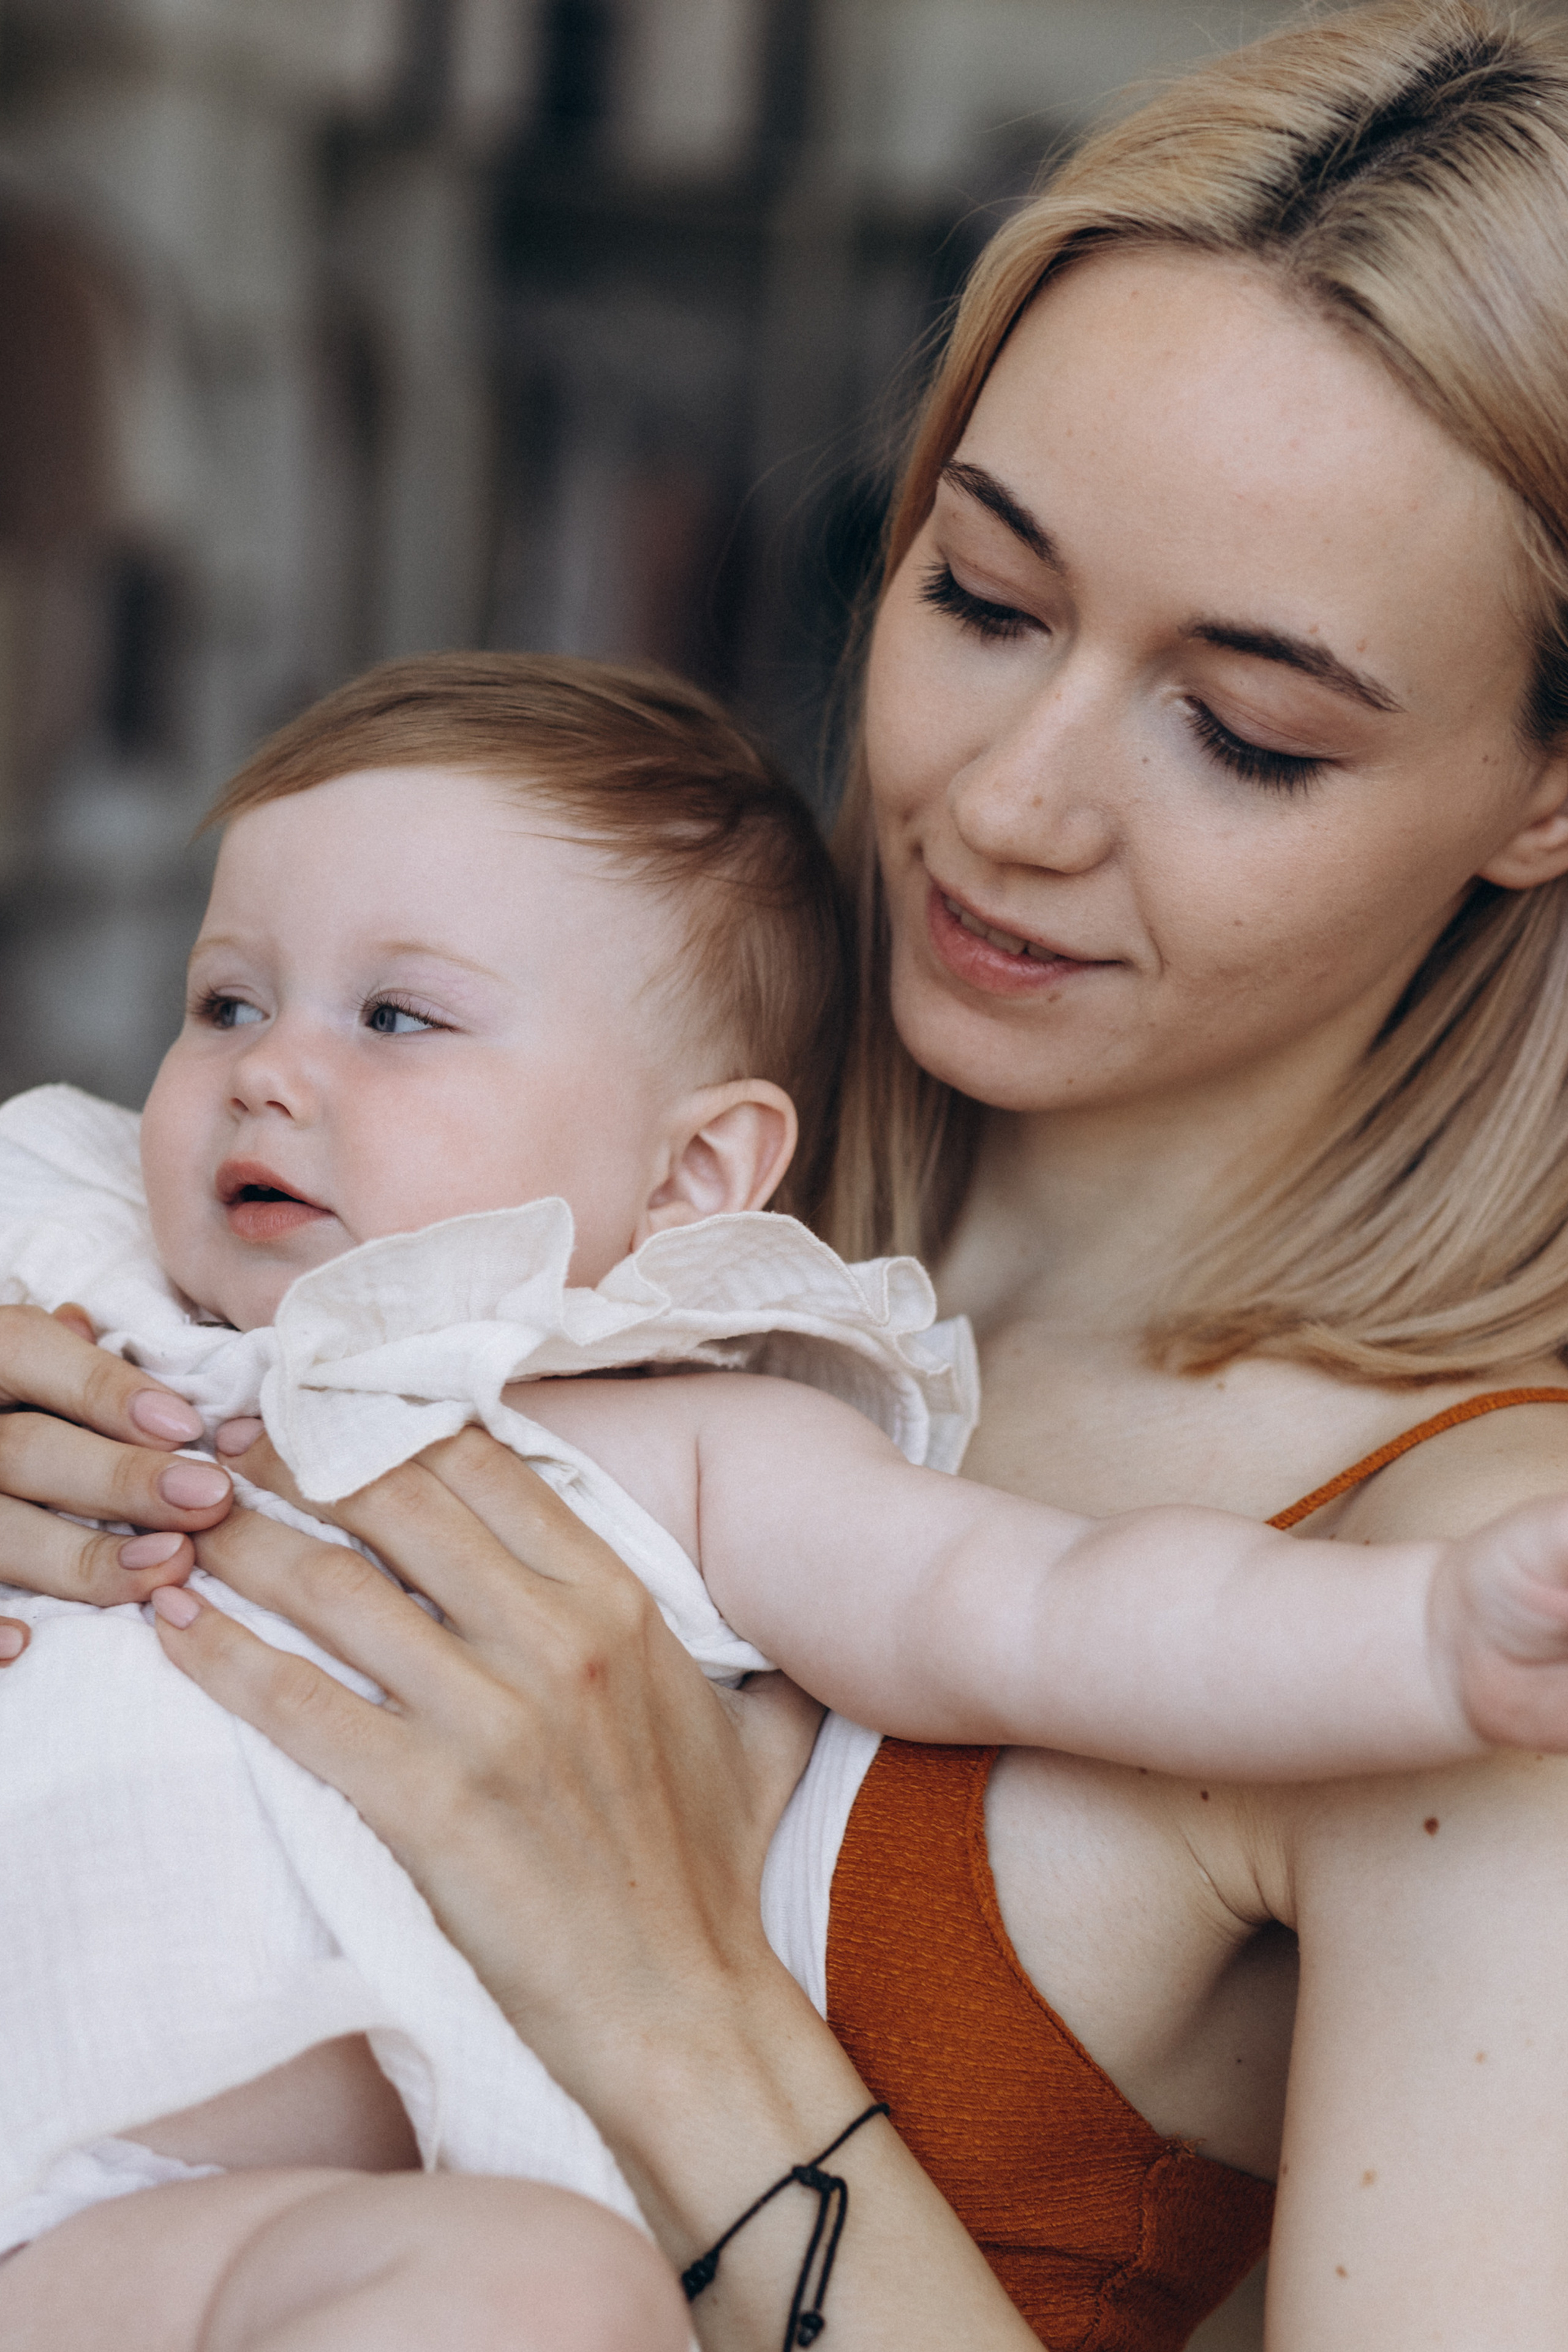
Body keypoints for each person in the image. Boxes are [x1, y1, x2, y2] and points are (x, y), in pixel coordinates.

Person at [5, 1, 1568, 2345]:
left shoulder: (1473, 1609)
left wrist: (671, 1998)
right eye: (981, 599)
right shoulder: (518, 1158)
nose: (1013, 804)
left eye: (1247, 735)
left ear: (1543, 798)